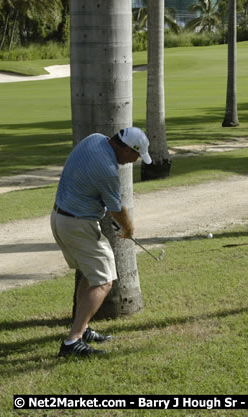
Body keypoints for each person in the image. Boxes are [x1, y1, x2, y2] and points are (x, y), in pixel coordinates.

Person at [51, 127, 152, 357]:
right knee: (104, 281)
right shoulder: (108, 170)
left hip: (61, 217)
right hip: (77, 225)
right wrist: (129, 228)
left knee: (90, 274)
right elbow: (116, 209)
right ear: (127, 149)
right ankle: (72, 342)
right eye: (135, 156)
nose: (134, 161)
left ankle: (82, 328)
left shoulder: (94, 139)